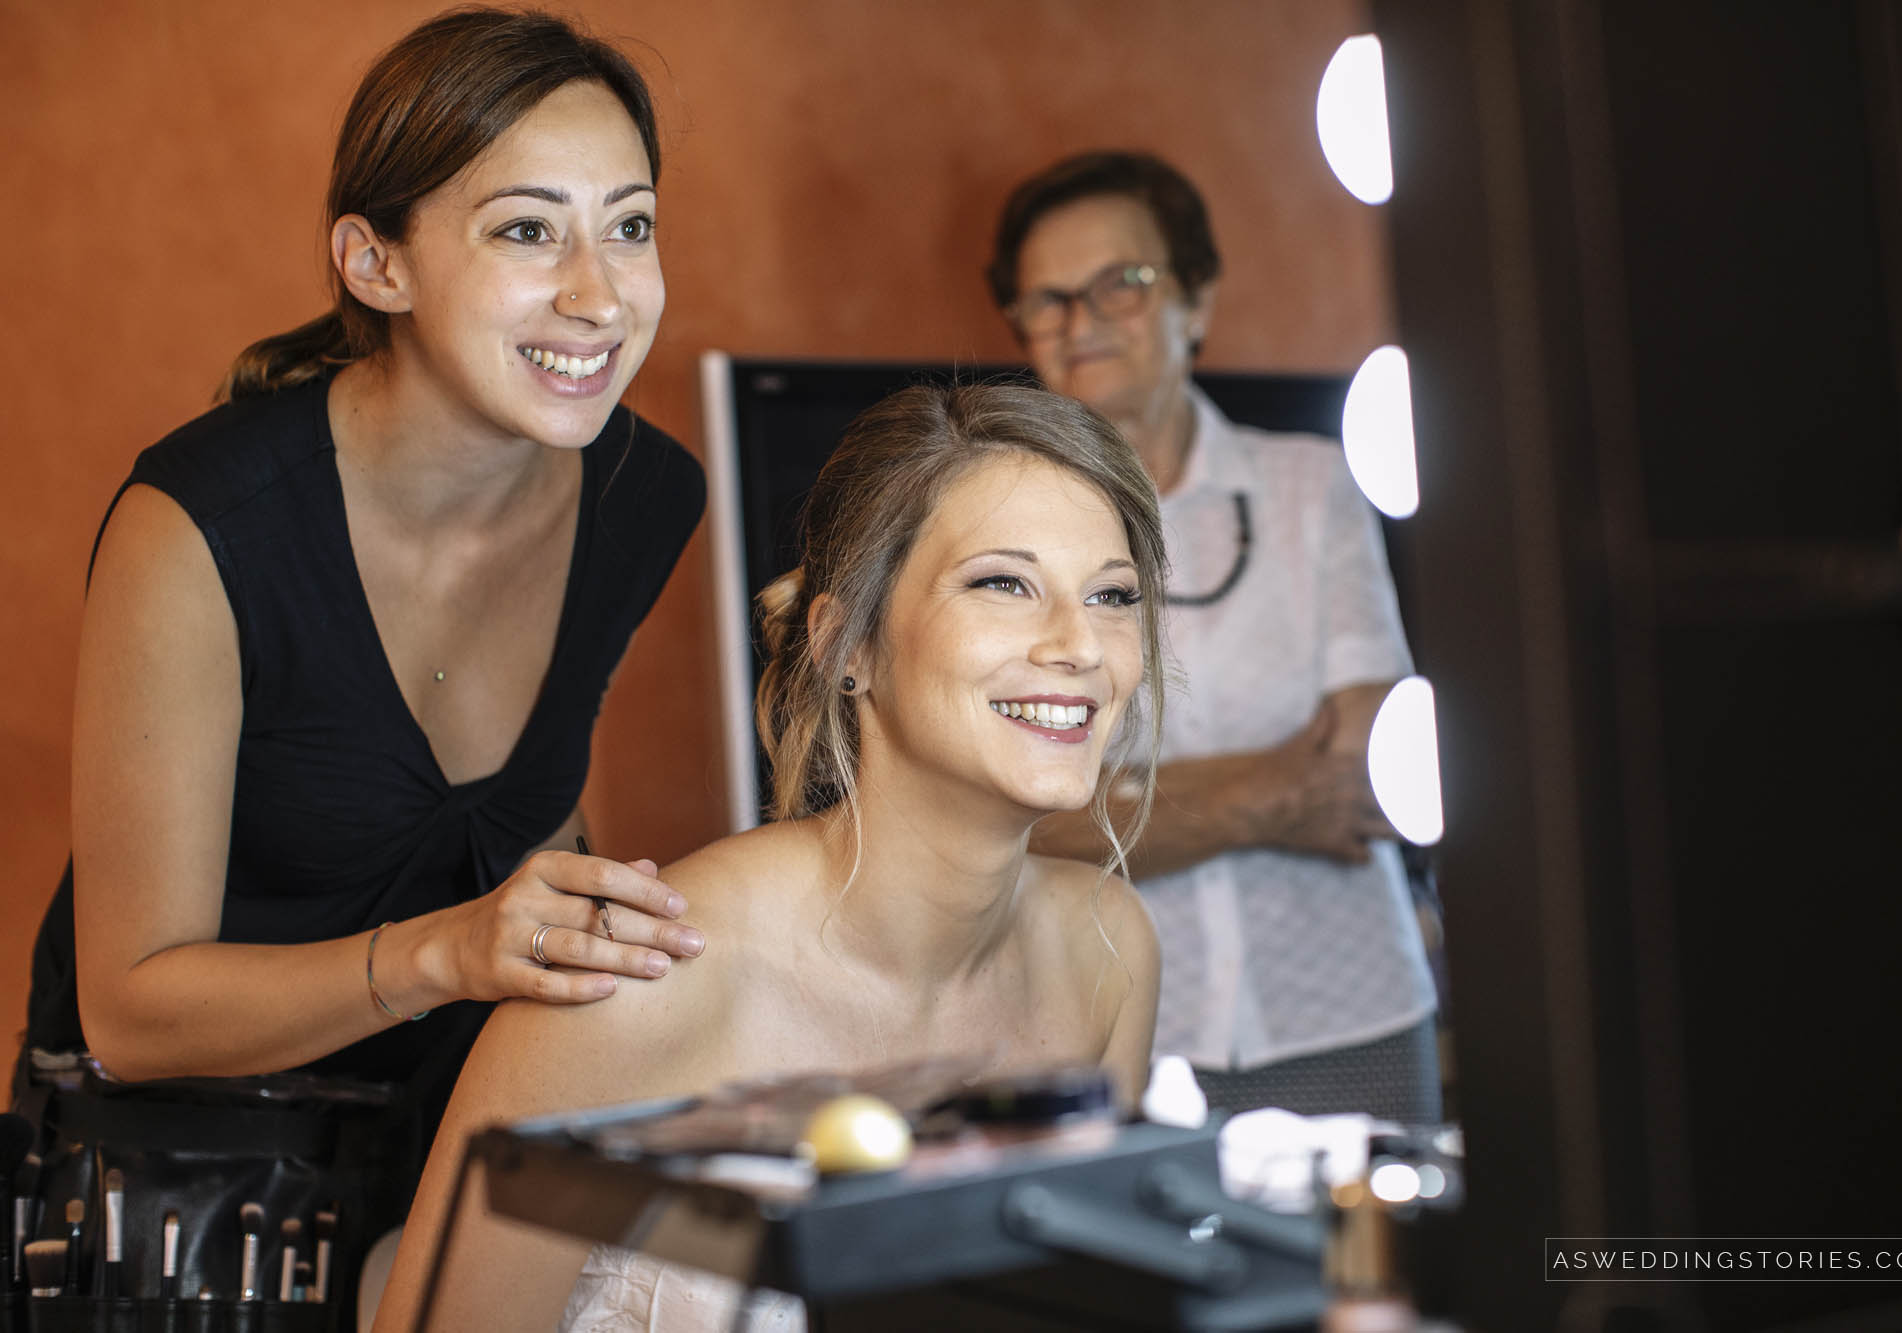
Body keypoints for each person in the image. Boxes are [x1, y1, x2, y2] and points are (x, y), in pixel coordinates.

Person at [13, 4, 707, 1281]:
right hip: (180, 1203)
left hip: (449, 1167)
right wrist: (453, 949)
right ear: (374, 263)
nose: (599, 293)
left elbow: (524, 824)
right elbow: (130, 1009)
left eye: (630, 224)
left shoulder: (645, 494)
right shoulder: (200, 528)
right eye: (525, 229)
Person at [370, 382, 1167, 1333]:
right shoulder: (636, 982)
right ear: (845, 646)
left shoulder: (1106, 954)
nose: (1080, 645)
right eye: (1003, 582)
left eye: (1113, 596)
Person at [986, 150, 1440, 1121]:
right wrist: (1274, 790)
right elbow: (1025, 829)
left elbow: (1362, 777)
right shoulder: (993, 531)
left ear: (1196, 301)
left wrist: (1129, 799)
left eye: (1123, 283)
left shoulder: (1313, 486)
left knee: (1391, 1273)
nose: (1083, 321)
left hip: (1349, 1013)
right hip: (1118, 1035)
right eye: (1048, 300)